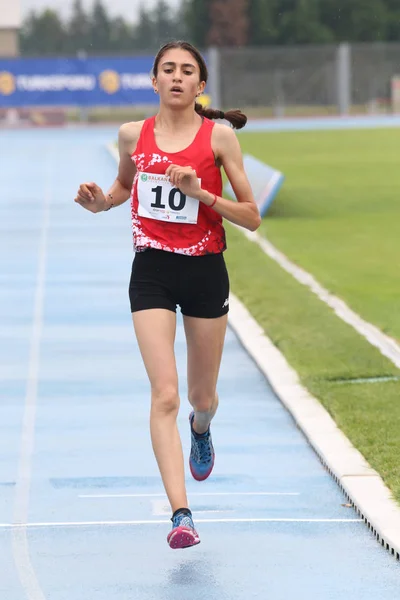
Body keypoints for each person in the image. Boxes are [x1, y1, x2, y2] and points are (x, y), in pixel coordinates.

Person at [74, 40, 261, 550]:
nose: (176, 78)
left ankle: (202, 429)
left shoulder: (219, 139)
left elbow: (252, 217)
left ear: (200, 86)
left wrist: (200, 192)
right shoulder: (132, 135)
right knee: (165, 395)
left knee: (200, 399)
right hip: (151, 271)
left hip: (204, 272)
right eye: (167, 70)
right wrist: (100, 203)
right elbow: (120, 188)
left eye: (187, 72)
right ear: (153, 80)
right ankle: (182, 515)